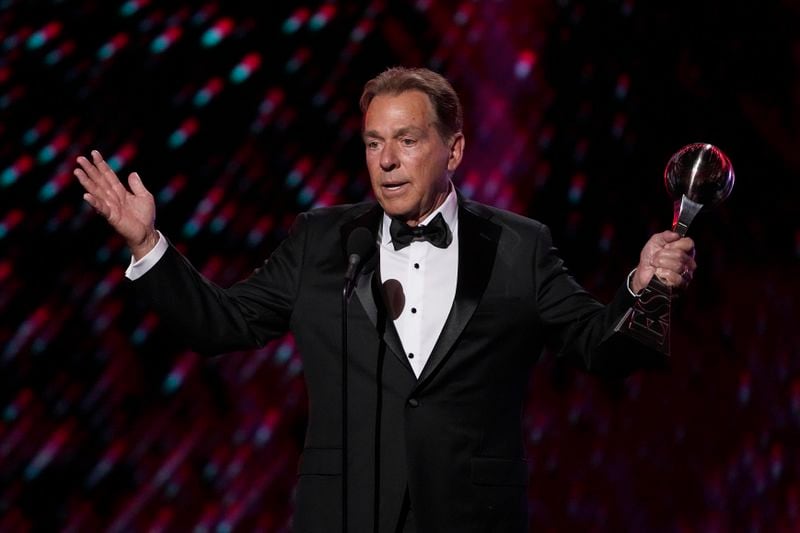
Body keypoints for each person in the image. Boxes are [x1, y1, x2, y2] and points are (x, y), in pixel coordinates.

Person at [74, 67, 696, 532]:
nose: (387, 162)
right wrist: (148, 243)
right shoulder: (321, 239)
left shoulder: (519, 246)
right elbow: (222, 324)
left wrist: (642, 288)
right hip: (343, 514)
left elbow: (598, 347)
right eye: (373, 143)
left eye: (407, 140)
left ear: (453, 149)